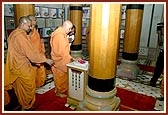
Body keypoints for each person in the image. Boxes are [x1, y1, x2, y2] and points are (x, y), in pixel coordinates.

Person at [4, 16, 54, 110]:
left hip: (15, 65)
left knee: (20, 88)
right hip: (22, 67)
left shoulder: (13, 33)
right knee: (29, 87)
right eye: (29, 26)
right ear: (22, 24)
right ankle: (27, 106)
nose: (30, 28)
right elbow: (32, 55)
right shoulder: (20, 37)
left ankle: (23, 103)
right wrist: (46, 60)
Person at [50, 20, 75, 97]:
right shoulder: (59, 35)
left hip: (63, 59)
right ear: (65, 26)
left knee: (62, 77)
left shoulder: (62, 33)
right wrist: (70, 58)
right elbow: (61, 52)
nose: (70, 30)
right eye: (69, 28)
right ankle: (59, 91)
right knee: (60, 77)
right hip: (59, 61)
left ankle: (60, 89)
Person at [27, 14, 46, 88]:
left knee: (41, 70)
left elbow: (38, 39)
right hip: (33, 55)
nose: (36, 21)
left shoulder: (34, 29)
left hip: (39, 53)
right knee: (33, 71)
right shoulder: (29, 30)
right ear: (31, 21)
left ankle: (39, 84)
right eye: (35, 20)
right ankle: (34, 86)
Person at [150, 22, 164, 87]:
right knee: (159, 67)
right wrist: (159, 33)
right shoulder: (162, 35)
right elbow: (160, 43)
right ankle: (153, 80)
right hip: (162, 53)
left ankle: (163, 82)